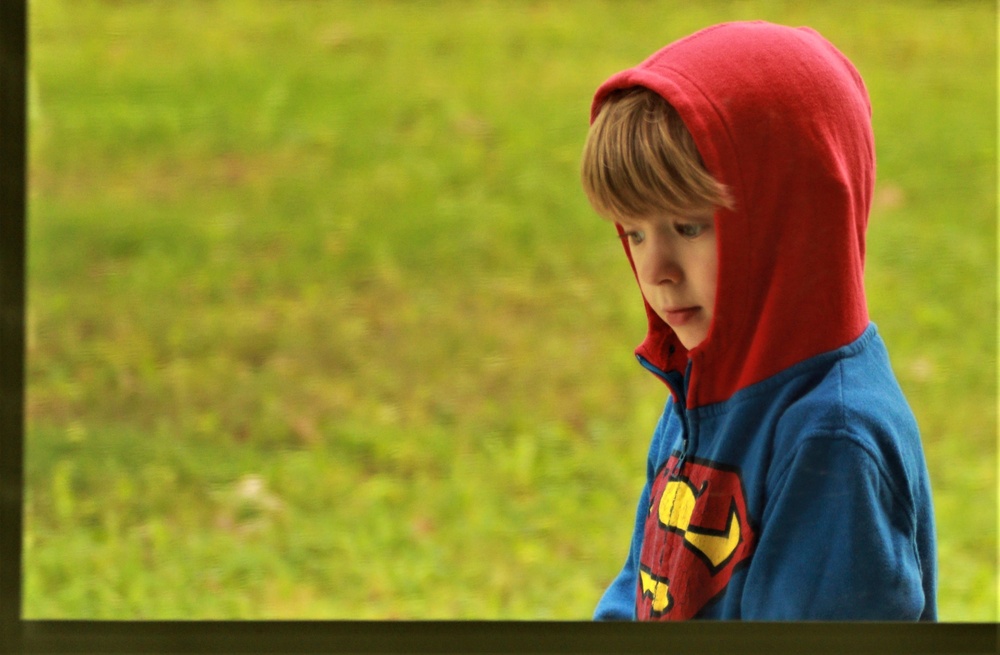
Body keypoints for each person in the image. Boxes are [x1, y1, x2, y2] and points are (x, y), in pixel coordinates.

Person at [580, 21, 937, 620]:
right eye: (636, 233)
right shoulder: (703, 384)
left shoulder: (835, 439)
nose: (656, 270)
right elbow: (637, 590)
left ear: (793, 224)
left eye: (689, 227)